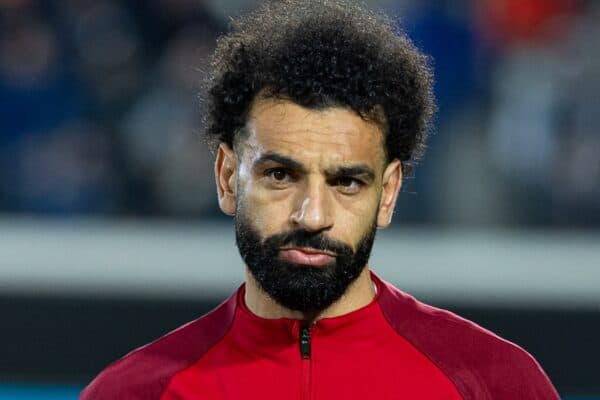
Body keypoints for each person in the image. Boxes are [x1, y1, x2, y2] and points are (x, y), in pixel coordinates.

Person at [80, 1, 559, 398]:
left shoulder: (496, 384)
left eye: (346, 182)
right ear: (228, 177)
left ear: (388, 192)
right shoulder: (135, 393)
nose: (312, 215)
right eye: (281, 175)